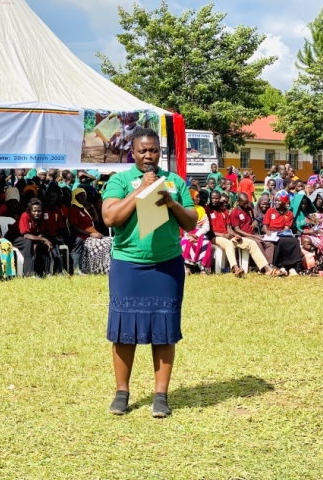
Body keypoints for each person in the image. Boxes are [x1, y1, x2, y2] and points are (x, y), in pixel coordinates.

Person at [101, 128, 197, 418]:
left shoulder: (175, 182)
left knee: (164, 331)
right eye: (142, 150)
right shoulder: (119, 181)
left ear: (159, 152)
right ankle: (121, 393)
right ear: (132, 152)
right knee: (123, 330)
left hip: (166, 266)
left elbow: (191, 222)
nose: (148, 156)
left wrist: (172, 203)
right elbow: (110, 217)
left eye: (153, 150)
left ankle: (160, 396)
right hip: (128, 264)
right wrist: (140, 190)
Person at [229, 193, 278, 274]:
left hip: (253, 234)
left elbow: (252, 220)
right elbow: (237, 230)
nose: (246, 205)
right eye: (243, 203)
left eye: (247, 203)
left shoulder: (249, 209)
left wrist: (255, 223)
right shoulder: (234, 213)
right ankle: (267, 268)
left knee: (269, 243)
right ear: (238, 201)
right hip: (243, 236)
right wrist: (253, 236)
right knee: (257, 242)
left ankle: (269, 265)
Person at [70, 187, 112, 275]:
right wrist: (91, 234)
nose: (83, 198)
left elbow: (96, 220)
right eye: (80, 196)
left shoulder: (83, 209)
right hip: (84, 236)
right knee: (106, 245)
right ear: (75, 197)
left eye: (84, 196)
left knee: (111, 241)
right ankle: (97, 268)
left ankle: (106, 268)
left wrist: (92, 208)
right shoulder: (74, 209)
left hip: (92, 234)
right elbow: (74, 227)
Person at [262, 191, 302, 276]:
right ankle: (281, 266)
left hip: (282, 233)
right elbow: (265, 225)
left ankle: (292, 267)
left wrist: (281, 233)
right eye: (276, 200)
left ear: (284, 203)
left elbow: (286, 228)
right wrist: (267, 232)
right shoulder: (270, 211)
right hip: (271, 233)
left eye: (279, 201)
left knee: (294, 242)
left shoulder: (289, 214)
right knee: (279, 242)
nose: (276, 202)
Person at [13, 198, 56, 277]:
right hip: (16, 237)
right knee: (28, 243)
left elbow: (42, 232)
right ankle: (29, 274)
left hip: (31, 237)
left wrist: (39, 242)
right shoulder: (25, 215)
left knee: (44, 245)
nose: (37, 213)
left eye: (39, 211)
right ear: (30, 211)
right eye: (34, 211)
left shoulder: (42, 217)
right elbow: (26, 235)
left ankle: (46, 273)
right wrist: (43, 239)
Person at [181, 190, 212, 275]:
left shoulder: (201, 209)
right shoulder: (184, 209)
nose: (199, 199)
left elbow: (206, 226)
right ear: (191, 198)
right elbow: (182, 225)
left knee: (206, 243)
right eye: (196, 197)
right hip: (187, 233)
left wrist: (196, 235)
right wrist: (188, 235)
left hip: (200, 232)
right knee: (185, 242)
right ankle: (187, 267)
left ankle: (203, 269)